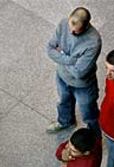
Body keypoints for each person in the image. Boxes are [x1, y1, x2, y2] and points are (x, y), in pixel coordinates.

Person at [46, 7, 102, 136]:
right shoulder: (63, 24)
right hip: (62, 77)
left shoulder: (93, 42)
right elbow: (50, 49)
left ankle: (94, 135)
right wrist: (72, 60)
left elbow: (79, 73)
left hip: (83, 85)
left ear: (87, 26)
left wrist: (61, 54)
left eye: (76, 32)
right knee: (63, 101)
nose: (71, 32)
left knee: (89, 112)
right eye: (70, 26)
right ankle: (65, 121)